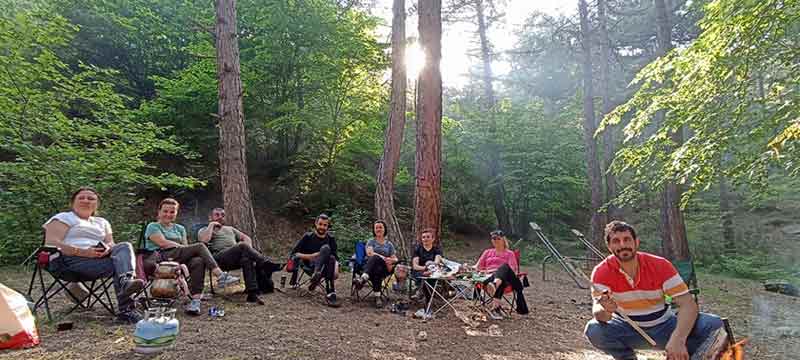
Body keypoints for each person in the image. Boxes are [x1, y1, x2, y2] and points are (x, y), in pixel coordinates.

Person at [585, 221, 726, 360]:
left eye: (627, 239)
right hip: (626, 329)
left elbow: (688, 304)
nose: (622, 245)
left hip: (665, 325)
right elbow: (600, 314)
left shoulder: (660, 265)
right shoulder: (601, 272)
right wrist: (606, 310)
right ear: (609, 246)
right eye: (616, 241)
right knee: (594, 330)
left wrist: (678, 339)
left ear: (636, 242)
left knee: (713, 324)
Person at [43, 187, 145, 323]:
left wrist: (107, 249)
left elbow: (111, 243)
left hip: (98, 259)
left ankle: (125, 282)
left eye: (91, 198)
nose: (86, 200)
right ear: (72, 203)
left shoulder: (102, 222)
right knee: (119, 266)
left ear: (97, 204)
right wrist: (83, 252)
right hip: (69, 261)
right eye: (81, 198)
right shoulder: (63, 218)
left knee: (124, 247)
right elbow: (51, 243)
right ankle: (127, 310)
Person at [142, 198, 239, 315]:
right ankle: (220, 275)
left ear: (176, 213)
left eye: (172, 212)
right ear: (159, 212)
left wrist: (184, 249)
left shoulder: (180, 228)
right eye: (165, 211)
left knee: (198, 261)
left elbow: (186, 247)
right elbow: (162, 243)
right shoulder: (153, 226)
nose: (168, 214)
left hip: (178, 257)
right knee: (199, 246)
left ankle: (195, 301)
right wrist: (182, 247)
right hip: (161, 257)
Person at [198, 207, 283, 305]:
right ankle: (265, 263)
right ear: (210, 217)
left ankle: (252, 293)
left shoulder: (230, 229)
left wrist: (248, 251)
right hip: (218, 260)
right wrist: (211, 225)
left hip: (235, 258)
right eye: (217, 215)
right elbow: (204, 241)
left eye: (223, 215)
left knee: (246, 259)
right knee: (242, 245)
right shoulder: (204, 230)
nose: (220, 217)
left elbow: (246, 238)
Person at [472, 230, 529, 319]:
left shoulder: (510, 253)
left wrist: (494, 270)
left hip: (507, 277)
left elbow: (512, 270)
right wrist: (467, 268)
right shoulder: (487, 252)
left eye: (498, 238)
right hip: (489, 278)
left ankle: (495, 285)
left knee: (504, 267)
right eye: (493, 239)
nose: (495, 240)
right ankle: (496, 309)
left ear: (503, 240)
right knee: (501, 281)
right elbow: (477, 266)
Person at [288, 214, 340, 307]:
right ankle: (330, 291)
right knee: (326, 248)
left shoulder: (331, 239)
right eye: (320, 224)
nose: (322, 227)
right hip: (309, 266)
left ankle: (317, 278)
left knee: (330, 255)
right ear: (316, 224)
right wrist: (312, 256)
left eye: (325, 225)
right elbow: (294, 254)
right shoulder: (307, 237)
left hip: (325, 269)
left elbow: (335, 257)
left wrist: (336, 269)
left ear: (328, 226)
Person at [353, 220, 398, 307]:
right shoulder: (371, 241)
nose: (378, 229)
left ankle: (363, 279)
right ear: (374, 230)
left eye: (380, 227)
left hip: (384, 267)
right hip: (371, 267)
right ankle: (377, 297)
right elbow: (370, 253)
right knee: (376, 263)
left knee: (377, 263)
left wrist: (391, 260)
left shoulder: (389, 244)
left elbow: (395, 258)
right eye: (376, 228)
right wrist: (383, 257)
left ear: (384, 229)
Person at [410, 228, 443, 302]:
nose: (425, 239)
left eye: (428, 237)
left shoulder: (437, 250)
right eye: (423, 237)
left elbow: (437, 262)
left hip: (433, 271)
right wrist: (425, 268)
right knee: (424, 275)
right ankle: (423, 295)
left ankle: (426, 298)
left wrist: (431, 266)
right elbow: (415, 266)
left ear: (433, 239)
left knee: (432, 276)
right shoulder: (417, 249)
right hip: (419, 271)